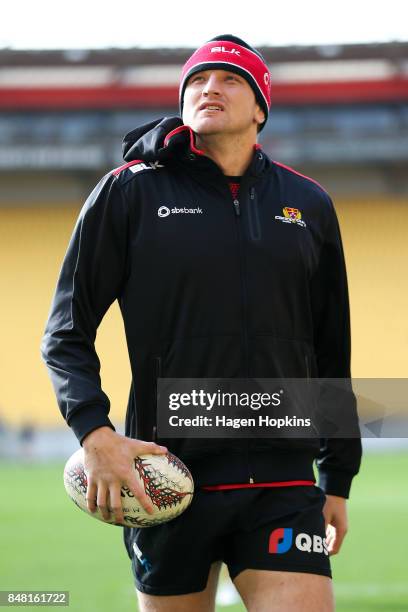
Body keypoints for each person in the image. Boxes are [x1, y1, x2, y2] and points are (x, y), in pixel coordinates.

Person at [41, 34, 362, 612]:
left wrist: (336, 474)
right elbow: (66, 330)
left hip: (283, 480)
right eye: (197, 81)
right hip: (165, 477)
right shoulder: (128, 192)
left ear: (260, 107)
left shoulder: (309, 204)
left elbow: (329, 345)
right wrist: (95, 433)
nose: (209, 87)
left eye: (229, 79)